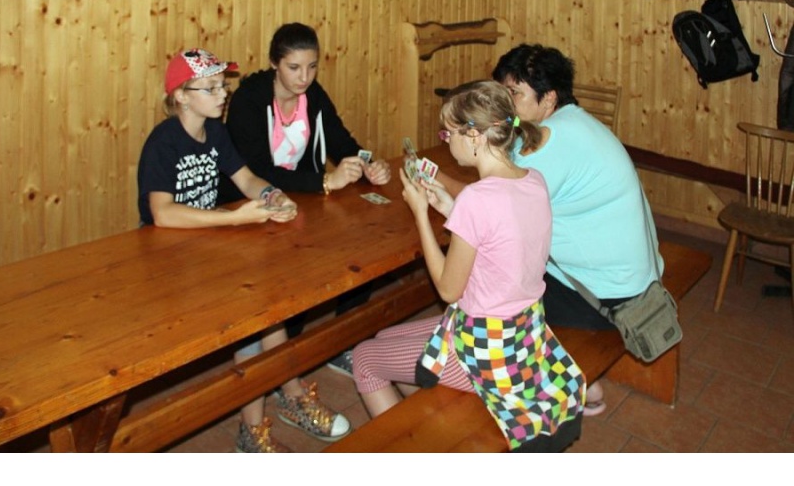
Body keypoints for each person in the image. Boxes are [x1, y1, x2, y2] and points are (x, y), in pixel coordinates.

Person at [352, 80, 585, 452]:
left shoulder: (477, 199)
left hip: (485, 351)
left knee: (365, 357)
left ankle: (412, 451)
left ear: (474, 135)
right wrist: (449, 207)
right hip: (525, 338)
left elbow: (448, 290)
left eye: (449, 133)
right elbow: (498, 242)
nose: (447, 141)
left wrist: (420, 213)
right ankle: (430, 422)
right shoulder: (533, 181)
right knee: (384, 340)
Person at [137, 48, 351, 453]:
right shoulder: (163, 141)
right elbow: (162, 214)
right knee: (256, 313)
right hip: (167, 262)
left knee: (268, 303)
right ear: (181, 96)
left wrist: (273, 196)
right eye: (211, 88)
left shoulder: (215, 133)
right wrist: (234, 219)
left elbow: (247, 178)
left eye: (223, 86)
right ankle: (260, 423)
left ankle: (288, 396)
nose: (223, 94)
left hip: (205, 248)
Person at [492, 43, 664, 416]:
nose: (505, 103)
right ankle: (580, 379)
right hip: (634, 278)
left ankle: (559, 386)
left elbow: (498, 210)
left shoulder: (551, 141)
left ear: (549, 98)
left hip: (610, 299)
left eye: (515, 94)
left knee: (496, 284)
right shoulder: (575, 123)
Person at [219, 22, 392, 378]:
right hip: (250, 206)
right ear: (274, 63)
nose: (304, 77)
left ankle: (344, 342)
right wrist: (324, 180)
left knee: (363, 248)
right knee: (291, 281)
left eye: (312, 67)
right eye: (294, 67)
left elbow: (342, 140)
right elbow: (256, 171)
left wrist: (369, 163)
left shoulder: (312, 94)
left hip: (304, 199)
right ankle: (284, 361)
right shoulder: (248, 100)